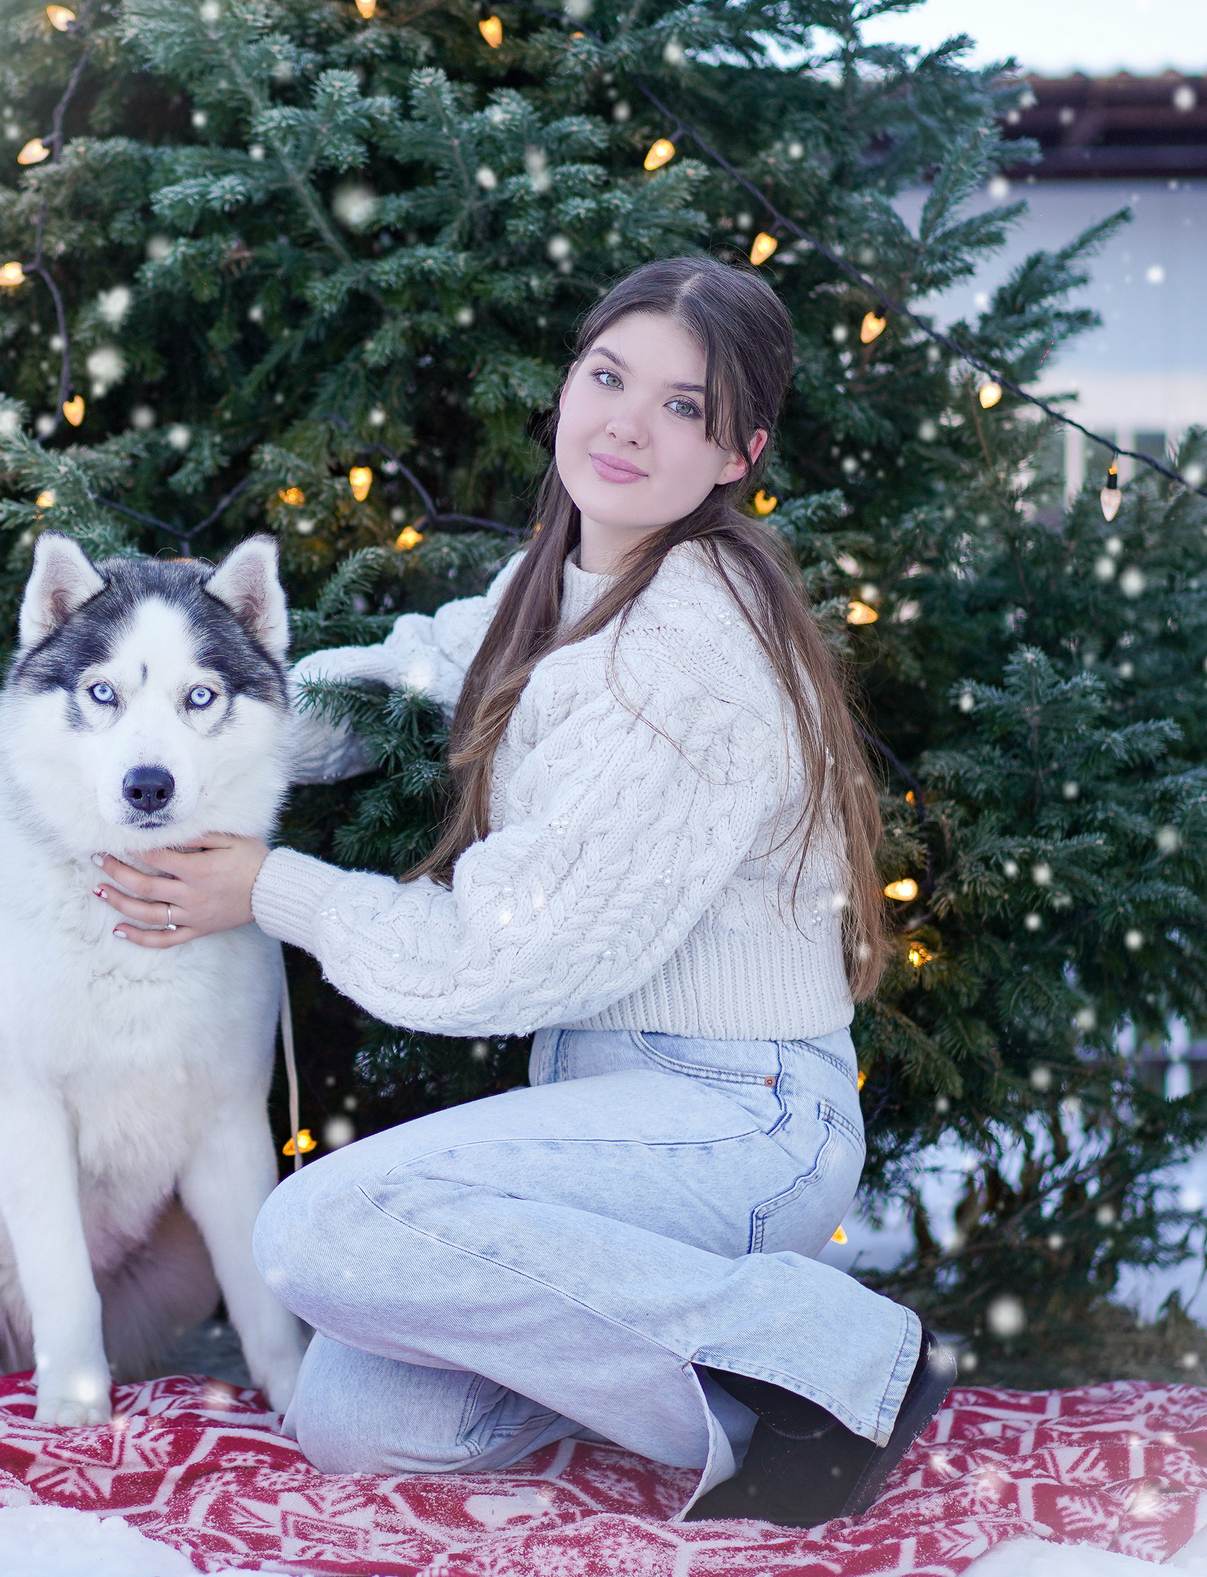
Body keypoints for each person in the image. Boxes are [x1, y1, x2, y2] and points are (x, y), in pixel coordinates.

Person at [85, 254, 953, 1526]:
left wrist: (274, 890)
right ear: (567, 383)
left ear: (737, 453)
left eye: (682, 406)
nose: (625, 423)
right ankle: (759, 1406)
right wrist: (197, 718)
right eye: (608, 377)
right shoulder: (563, 581)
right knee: (361, 1419)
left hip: (743, 1118)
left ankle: (835, 1351)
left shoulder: (683, 657)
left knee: (317, 1230)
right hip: (615, 1118)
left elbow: (496, 960)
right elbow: (406, 679)